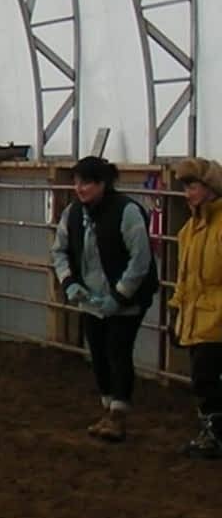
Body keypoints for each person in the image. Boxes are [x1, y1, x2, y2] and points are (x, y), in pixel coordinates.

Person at [51, 156, 158, 444]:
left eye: (86, 182)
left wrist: (120, 294)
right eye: (76, 182)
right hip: (91, 297)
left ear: (102, 184)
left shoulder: (127, 211)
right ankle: (108, 408)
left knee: (118, 350)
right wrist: (69, 282)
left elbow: (140, 259)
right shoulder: (73, 213)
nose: (79, 188)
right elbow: (59, 250)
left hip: (127, 298)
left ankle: (118, 414)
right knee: (98, 353)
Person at [169, 157, 222, 458]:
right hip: (198, 319)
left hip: (216, 319)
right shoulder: (188, 231)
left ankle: (214, 434)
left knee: (207, 378)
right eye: (186, 187)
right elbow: (184, 278)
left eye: (192, 186)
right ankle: (213, 433)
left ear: (210, 187)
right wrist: (176, 309)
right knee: (203, 379)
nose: (187, 193)